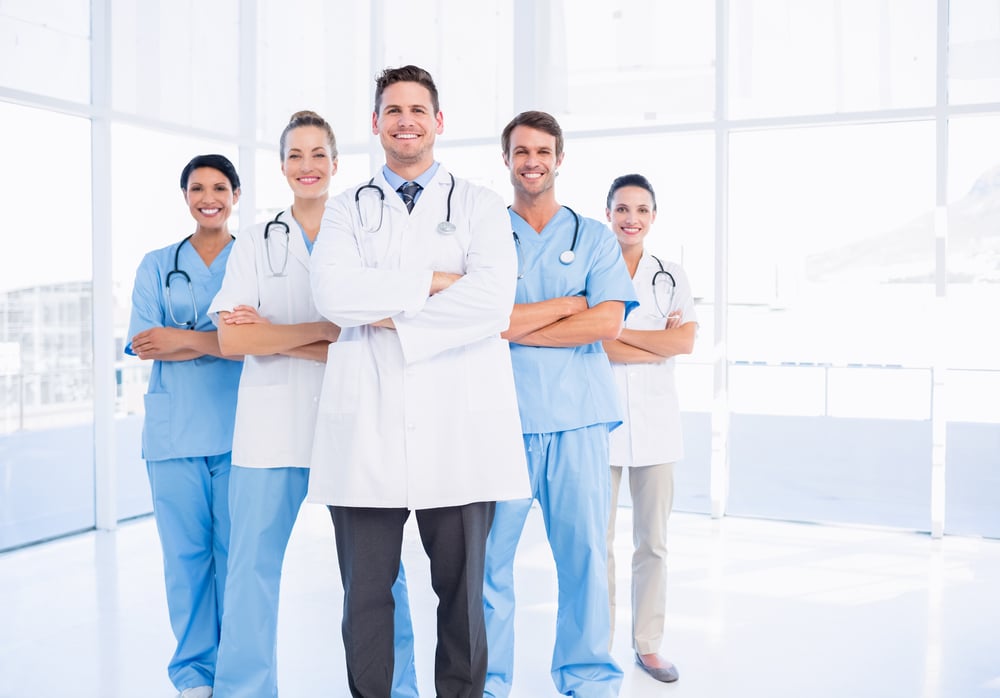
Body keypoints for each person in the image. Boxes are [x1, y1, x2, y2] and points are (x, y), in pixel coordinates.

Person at [308, 65, 529, 698]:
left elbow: (492, 303)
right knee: (366, 598)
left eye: (418, 109)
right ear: (375, 123)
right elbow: (332, 293)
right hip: (367, 433)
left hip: (460, 430)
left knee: (462, 598)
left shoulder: (481, 204)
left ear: (438, 121)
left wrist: (387, 315)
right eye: (393, 110)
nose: (406, 120)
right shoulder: (347, 206)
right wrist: (432, 282)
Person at [208, 111, 418, 697]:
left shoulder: (367, 238)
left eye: (317, 155)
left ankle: (397, 689)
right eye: (295, 156)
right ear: (281, 166)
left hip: (354, 429)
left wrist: (279, 334)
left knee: (377, 580)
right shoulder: (254, 240)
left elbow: (389, 331)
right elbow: (233, 339)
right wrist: (327, 332)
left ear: (335, 163)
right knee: (249, 576)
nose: (307, 166)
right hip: (269, 432)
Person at [482, 111, 638, 698]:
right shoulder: (486, 235)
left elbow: (607, 321)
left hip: (577, 423)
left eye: (542, 151)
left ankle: (589, 680)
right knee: (488, 569)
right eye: (521, 151)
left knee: (584, 563)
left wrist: (517, 326)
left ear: (559, 158)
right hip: (502, 422)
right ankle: (490, 684)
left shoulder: (594, 237)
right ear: (507, 160)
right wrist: (565, 306)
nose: (532, 161)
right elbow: (481, 321)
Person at [126, 154, 244, 698]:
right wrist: (225, 343)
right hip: (174, 437)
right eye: (197, 188)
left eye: (219, 187)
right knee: (186, 561)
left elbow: (262, 344)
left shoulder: (254, 262)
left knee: (237, 562)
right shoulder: (157, 263)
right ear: (185, 197)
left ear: (235, 195)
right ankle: (195, 676)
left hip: (242, 434)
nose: (208, 196)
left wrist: (185, 340)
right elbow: (145, 341)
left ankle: (239, 673)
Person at [602, 174, 697, 684]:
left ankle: (648, 645)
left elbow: (684, 345)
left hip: (659, 428)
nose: (631, 218)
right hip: (603, 423)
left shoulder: (671, 273)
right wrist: (653, 341)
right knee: (599, 544)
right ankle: (598, 647)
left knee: (653, 543)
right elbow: (590, 344)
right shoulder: (595, 271)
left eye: (641, 209)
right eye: (622, 208)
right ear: (609, 213)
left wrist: (623, 338)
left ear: (654, 216)